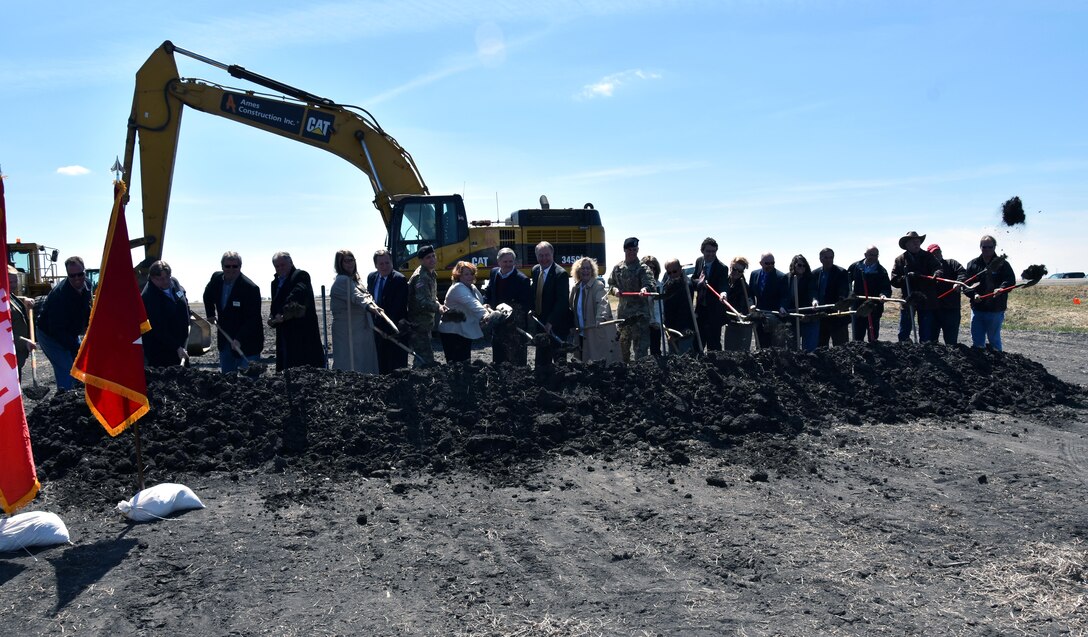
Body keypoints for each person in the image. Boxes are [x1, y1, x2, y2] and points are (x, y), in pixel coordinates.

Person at [34, 256, 92, 390]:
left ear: (84, 271)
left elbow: (86, 308)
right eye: (72, 275)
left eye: (80, 274)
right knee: (66, 370)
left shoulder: (87, 285)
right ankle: (65, 399)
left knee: (81, 363)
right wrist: (74, 346)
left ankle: (80, 393)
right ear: (67, 275)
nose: (77, 278)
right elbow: (56, 330)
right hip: (50, 335)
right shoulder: (59, 296)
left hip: (69, 330)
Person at [202, 251, 263, 373]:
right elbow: (207, 295)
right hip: (225, 340)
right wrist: (210, 313)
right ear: (222, 266)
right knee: (227, 381)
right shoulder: (216, 279)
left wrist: (239, 338)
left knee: (250, 382)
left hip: (247, 342)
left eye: (235, 266)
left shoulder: (250, 288)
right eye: (227, 266)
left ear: (240, 267)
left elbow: (253, 319)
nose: (231, 269)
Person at [269, 251, 326, 371]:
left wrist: (281, 311)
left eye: (283, 265)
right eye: (277, 266)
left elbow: (297, 293)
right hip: (284, 335)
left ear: (291, 263)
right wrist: (273, 316)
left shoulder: (301, 276)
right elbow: (274, 305)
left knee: (305, 370)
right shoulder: (275, 283)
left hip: (303, 335)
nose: (280, 268)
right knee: (286, 370)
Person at [962, 235, 1016, 350]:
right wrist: (973, 294)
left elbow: (1010, 280)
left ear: (994, 247)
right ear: (980, 247)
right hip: (977, 309)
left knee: (994, 340)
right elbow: (966, 284)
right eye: (984, 247)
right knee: (977, 341)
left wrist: (1002, 288)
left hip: (995, 309)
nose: (987, 249)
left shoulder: (1003, 264)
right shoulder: (973, 264)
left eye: (990, 247)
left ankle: (998, 365)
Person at [330, 250, 379, 373]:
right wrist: (369, 306)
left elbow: (366, 295)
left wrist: (371, 303)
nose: (350, 263)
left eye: (352, 260)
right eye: (346, 261)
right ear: (339, 263)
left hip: (360, 328)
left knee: (364, 359)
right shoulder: (342, 281)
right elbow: (357, 296)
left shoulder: (356, 280)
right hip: (348, 330)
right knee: (350, 361)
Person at [608, 237, 655, 362]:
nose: (632, 252)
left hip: (640, 316)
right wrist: (615, 291)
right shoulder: (617, 268)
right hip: (624, 316)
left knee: (641, 350)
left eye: (635, 249)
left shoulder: (643, 268)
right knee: (623, 348)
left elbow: (650, 283)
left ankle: (641, 376)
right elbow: (611, 285)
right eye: (629, 250)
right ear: (624, 250)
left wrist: (645, 289)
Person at [890, 230, 941, 343]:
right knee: (904, 329)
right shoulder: (900, 260)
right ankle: (905, 351)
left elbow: (938, 268)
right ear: (906, 245)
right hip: (909, 298)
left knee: (926, 331)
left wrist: (936, 273)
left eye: (918, 241)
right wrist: (906, 277)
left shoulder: (928, 257)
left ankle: (926, 352)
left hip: (926, 298)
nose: (916, 244)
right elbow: (894, 280)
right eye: (913, 242)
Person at [484, 247, 531, 365]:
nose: (508, 264)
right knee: (498, 356)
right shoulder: (494, 272)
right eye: (505, 262)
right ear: (499, 262)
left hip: (513, 327)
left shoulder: (522, 280)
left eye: (511, 261)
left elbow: (526, 304)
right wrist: (486, 302)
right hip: (497, 324)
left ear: (514, 262)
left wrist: (509, 315)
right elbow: (489, 291)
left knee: (515, 359)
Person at [367, 249, 410, 373]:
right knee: (381, 365)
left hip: (394, 329)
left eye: (387, 263)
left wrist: (385, 328)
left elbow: (397, 307)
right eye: (381, 264)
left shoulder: (399, 280)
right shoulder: (372, 277)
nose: (385, 266)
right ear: (376, 265)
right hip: (377, 330)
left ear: (392, 262)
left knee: (396, 367)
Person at [568, 257, 619, 363]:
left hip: (594, 333)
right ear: (578, 271)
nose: (585, 271)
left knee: (595, 363)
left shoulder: (598, 286)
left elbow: (602, 303)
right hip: (580, 334)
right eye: (583, 268)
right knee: (581, 362)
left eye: (588, 268)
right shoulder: (576, 288)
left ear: (592, 271)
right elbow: (571, 308)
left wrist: (601, 318)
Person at [141, 261, 191, 367]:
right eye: (161, 279)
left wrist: (188, 314)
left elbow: (183, 298)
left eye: (167, 277)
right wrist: (176, 347)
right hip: (161, 350)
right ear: (152, 278)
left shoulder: (174, 282)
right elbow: (157, 328)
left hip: (181, 344)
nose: (165, 281)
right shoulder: (149, 296)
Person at [438, 261, 490, 363]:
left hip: (464, 331)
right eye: (466, 274)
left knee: (465, 363)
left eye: (471, 273)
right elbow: (472, 303)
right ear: (458, 275)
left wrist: (484, 307)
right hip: (452, 332)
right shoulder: (458, 288)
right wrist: (486, 315)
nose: (470, 276)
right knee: (456, 365)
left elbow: (477, 303)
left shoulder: (472, 287)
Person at [530, 241, 571, 366]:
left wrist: (550, 322)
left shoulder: (561, 274)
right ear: (536, 256)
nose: (544, 259)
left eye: (547, 255)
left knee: (559, 361)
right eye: (540, 255)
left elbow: (562, 302)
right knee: (542, 359)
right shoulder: (535, 270)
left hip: (556, 324)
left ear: (552, 254)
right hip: (540, 323)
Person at [405, 245, 445, 368]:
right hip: (418, 324)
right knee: (424, 358)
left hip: (425, 323)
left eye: (433, 256)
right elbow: (422, 302)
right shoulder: (421, 277)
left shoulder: (431, 273)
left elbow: (432, 297)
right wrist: (438, 308)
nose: (432, 259)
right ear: (421, 260)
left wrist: (439, 304)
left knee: (424, 357)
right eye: (428, 257)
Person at [846, 246, 892, 342]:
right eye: (871, 255)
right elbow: (847, 282)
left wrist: (883, 295)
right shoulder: (855, 267)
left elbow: (886, 287)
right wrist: (850, 295)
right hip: (858, 305)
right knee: (858, 335)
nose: (873, 257)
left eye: (876, 255)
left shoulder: (881, 271)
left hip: (874, 306)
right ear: (865, 255)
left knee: (873, 335)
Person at [692, 237, 730, 352]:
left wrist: (723, 293)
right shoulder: (699, 261)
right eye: (708, 251)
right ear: (702, 251)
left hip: (714, 312)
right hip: (700, 310)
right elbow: (694, 279)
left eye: (713, 251)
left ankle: (714, 367)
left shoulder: (722, 268)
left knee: (713, 344)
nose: (711, 254)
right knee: (698, 342)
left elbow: (724, 284)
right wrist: (699, 282)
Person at [927, 244, 966, 345]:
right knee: (931, 341)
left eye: (938, 252)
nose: (936, 255)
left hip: (951, 309)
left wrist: (958, 282)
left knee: (951, 342)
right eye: (933, 253)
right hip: (933, 309)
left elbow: (962, 272)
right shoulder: (927, 268)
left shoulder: (952, 263)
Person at [748, 253, 788, 349]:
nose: (770, 265)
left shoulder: (781, 277)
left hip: (776, 317)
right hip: (760, 316)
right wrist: (751, 304)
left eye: (772, 263)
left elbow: (785, 296)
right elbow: (750, 294)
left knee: (777, 347)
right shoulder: (754, 274)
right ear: (761, 263)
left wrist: (782, 307)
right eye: (767, 263)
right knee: (761, 345)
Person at [812, 248, 850, 347]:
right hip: (821, 316)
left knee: (841, 347)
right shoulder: (815, 274)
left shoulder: (841, 272)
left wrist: (840, 305)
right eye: (826, 257)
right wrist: (814, 300)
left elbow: (844, 291)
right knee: (821, 347)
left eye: (831, 257)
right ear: (820, 259)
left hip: (838, 316)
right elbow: (813, 291)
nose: (829, 260)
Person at [660, 258, 697, 354]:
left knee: (685, 358)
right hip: (671, 330)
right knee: (673, 359)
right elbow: (667, 310)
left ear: (680, 269)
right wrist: (669, 330)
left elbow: (684, 312)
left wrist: (675, 334)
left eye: (675, 271)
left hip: (684, 330)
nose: (672, 275)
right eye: (669, 273)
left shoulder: (686, 286)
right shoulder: (667, 285)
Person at [786, 254, 820, 352]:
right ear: (794, 265)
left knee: (809, 349)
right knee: (792, 349)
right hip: (792, 316)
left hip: (809, 316)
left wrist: (814, 301)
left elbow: (813, 291)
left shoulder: (810, 278)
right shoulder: (787, 278)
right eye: (799, 265)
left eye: (804, 265)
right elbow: (784, 295)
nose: (802, 267)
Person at [7, 264, 35, 379]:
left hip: (15, 357)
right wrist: (23, 342)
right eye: (10, 282)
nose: (13, 285)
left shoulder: (8, 294)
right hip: (6, 359)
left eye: (15, 282)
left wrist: (24, 299)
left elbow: (11, 298)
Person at [722, 256, 753, 352]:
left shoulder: (745, 287)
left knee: (741, 353)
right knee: (728, 352)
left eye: (740, 271)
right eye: (735, 269)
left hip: (741, 324)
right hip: (730, 323)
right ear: (731, 267)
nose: (737, 273)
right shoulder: (725, 282)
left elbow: (746, 307)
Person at [640, 255, 664, 356]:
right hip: (642, 323)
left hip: (654, 323)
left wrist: (658, 322)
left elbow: (660, 307)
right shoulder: (638, 285)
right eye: (648, 267)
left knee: (656, 351)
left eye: (653, 268)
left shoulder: (659, 286)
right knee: (641, 351)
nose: (651, 270)